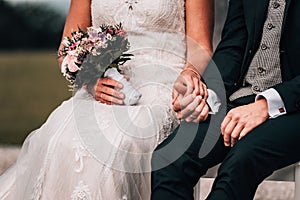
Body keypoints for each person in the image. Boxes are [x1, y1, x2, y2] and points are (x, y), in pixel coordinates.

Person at [0, 0, 214, 199]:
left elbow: (201, 46)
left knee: (123, 144)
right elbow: (67, 47)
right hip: (104, 86)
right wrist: (90, 79)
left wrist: (191, 74)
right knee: (60, 138)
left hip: (165, 86)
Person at [151, 0, 300, 199]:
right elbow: (233, 45)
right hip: (241, 99)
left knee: (240, 161)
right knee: (170, 157)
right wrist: (208, 95)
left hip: (294, 107)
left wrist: (266, 105)